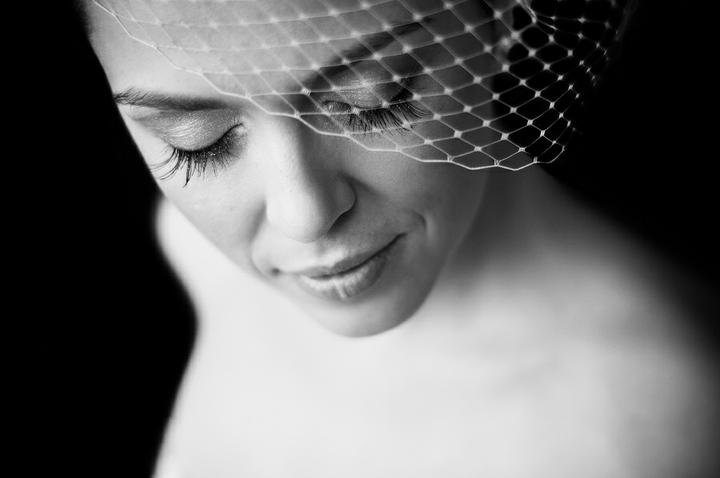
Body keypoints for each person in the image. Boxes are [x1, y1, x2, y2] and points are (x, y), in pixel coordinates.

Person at [73, 1, 719, 476]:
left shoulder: (637, 426)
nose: (302, 216)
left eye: (371, 101)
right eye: (199, 145)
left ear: (502, 19)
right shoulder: (195, 252)